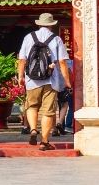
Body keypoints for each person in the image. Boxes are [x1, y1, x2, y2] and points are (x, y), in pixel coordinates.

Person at [17, 13, 74, 151]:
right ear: (51, 25)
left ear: (39, 23)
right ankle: (44, 141)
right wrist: (67, 81)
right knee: (48, 111)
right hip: (51, 80)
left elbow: (22, 59)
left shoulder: (28, 37)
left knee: (32, 106)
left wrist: (20, 76)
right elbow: (62, 62)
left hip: (32, 79)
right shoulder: (56, 39)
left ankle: (33, 130)